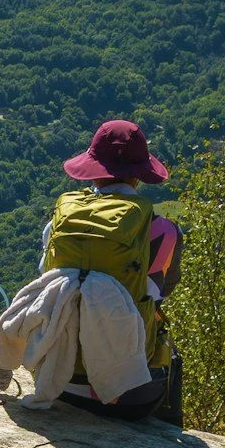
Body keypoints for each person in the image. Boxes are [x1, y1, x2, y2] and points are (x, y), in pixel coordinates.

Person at [42, 118, 183, 420]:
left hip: (58, 379)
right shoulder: (164, 232)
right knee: (170, 358)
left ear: (93, 170)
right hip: (129, 394)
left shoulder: (60, 223)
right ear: (139, 176)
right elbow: (161, 293)